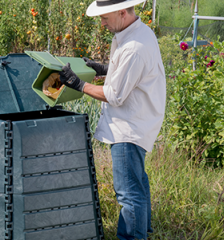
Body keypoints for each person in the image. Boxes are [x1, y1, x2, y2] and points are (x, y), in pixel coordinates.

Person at [58, 0, 166, 239]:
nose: (102, 23)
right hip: (139, 119)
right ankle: (143, 230)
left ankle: (131, 236)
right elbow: (133, 72)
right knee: (137, 180)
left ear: (122, 12)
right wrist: (105, 69)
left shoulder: (134, 47)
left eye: (105, 17)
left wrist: (79, 84)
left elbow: (114, 95)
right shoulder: (139, 32)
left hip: (129, 125)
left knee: (128, 192)